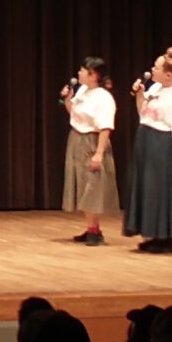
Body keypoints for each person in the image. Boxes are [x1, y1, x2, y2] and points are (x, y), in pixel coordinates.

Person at [123, 48, 172, 253]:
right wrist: (139, 94)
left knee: (163, 192)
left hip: (163, 147)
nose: (152, 70)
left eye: (156, 67)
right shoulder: (157, 88)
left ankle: (170, 239)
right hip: (147, 144)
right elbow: (145, 113)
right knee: (150, 192)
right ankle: (155, 236)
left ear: (168, 75)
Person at [60, 56, 120, 245]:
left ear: (93, 75)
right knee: (82, 184)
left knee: (92, 186)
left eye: (83, 70)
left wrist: (99, 153)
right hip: (77, 139)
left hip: (92, 141)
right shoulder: (83, 91)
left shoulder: (103, 98)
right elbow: (74, 114)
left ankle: (95, 231)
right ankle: (91, 228)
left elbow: (105, 127)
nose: (79, 73)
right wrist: (67, 99)